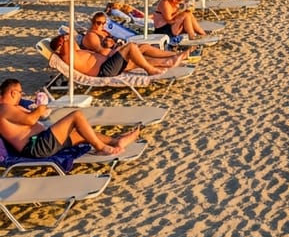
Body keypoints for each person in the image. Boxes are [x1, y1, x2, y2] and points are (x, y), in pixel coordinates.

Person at [0, 78, 140, 157]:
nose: (21, 95)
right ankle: (101, 147)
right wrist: (40, 109)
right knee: (76, 116)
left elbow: (30, 120)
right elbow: (30, 120)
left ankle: (115, 141)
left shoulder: (10, 108)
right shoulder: (4, 108)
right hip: (36, 146)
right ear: (12, 93)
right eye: (20, 92)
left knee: (79, 133)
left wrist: (38, 109)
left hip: (41, 140)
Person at [54, 30, 178, 78]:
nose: (68, 40)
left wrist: (68, 36)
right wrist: (64, 39)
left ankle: (168, 61)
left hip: (108, 64)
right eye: (64, 40)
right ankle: (150, 70)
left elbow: (72, 42)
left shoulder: (75, 52)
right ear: (61, 46)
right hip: (105, 70)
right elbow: (67, 44)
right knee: (131, 47)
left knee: (137, 59)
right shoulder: (68, 57)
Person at [81, 12, 185, 67]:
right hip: (109, 60)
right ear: (92, 22)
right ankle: (167, 61)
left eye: (104, 23)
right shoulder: (91, 36)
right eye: (98, 23)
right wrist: (114, 48)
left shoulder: (103, 32)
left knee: (144, 46)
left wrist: (114, 43)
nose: (101, 25)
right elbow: (102, 52)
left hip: (117, 53)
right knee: (140, 54)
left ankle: (174, 55)